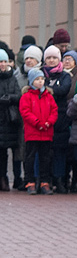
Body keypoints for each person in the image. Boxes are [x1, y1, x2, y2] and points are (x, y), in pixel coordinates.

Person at [19, 67, 57, 194]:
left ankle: (44, 182)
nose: (40, 82)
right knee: (30, 157)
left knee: (45, 158)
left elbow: (54, 111)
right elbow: (25, 112)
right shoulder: (26, 96)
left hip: (46, 132)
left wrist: (48, 122)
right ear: (31, 82)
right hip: (32, 132)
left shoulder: (49, 96)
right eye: (37, 79)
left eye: (42, 79)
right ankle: (30, 182)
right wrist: (37, 123)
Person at [42, 45, 74, 193]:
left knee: (60, 152)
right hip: (43, 117)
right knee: (45, 152)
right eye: (48, 58)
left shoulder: (65, 75)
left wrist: (50, 91)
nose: (52, 60)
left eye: (54, 57)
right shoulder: (41, 74)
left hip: (61, 118)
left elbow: (64, 90)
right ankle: (45, 180)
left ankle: (60, 180)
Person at [0, 49, 21, 191]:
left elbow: (19, 95)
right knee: (1, 153)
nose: (2, 64)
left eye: (4, 61)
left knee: (16, 152)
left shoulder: (13, 78)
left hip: (13, 120)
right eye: (0, 62)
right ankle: (3, 178)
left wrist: (10, 98)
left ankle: (18, 178)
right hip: (1, 120)